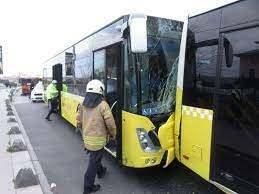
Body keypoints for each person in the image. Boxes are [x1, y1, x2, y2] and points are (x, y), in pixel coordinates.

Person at [76, 79, 116, 194]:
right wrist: (113, 134)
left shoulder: (83, 103)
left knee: (95, 157)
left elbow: (78, 119)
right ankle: (87, 188)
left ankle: (101, 171)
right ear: (100, 90)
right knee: (93, 162)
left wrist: (79, 127)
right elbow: (110, 123)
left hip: (87, 138)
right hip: (98, 139)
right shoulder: (103, 105)